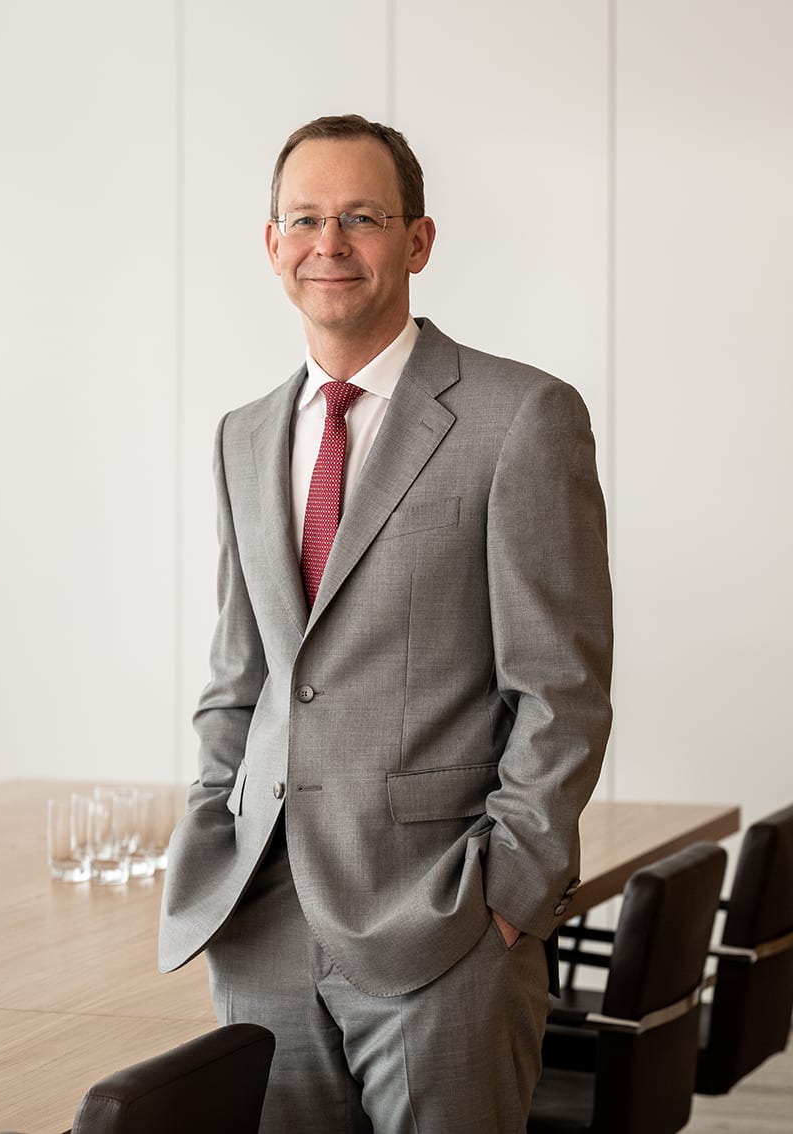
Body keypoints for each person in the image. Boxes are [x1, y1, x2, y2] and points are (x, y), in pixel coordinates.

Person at [159, 114, 613, 1133]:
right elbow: (242, 675)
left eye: (361, 218)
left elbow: (562, 688)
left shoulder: (521, 417)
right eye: (305, 219)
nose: (330, 243)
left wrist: (507, 894)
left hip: (440, 923)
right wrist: (212, 824)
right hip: (261, 925)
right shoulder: (243, 436)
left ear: (418, 240)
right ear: (272, 243)